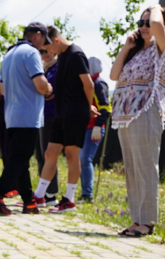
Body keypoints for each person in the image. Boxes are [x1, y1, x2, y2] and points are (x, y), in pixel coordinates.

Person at [110, 4, 165, 236]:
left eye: (148, 22)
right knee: (133, 169)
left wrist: (155, 7)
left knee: (146, 166)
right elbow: (114, 74)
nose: (145, 26)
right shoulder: (136, 50)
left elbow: (158, 25)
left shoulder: (164, 45)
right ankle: (136, 219)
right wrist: (127, 47)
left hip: (147, 111)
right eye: (141, 23)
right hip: (126, 115)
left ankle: (146, 223)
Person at [0, 22, 52, 216]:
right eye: (43, 42)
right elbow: (40, 85)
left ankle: (29, 202)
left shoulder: (9, 55)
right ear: (38, 35)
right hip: (28, 115)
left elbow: (2, 88)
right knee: (18, 159)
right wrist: (49, 89)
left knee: (21, 160)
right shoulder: (31, 53)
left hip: (12, 115)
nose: (43, 47)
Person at [35, 26, 95, 213]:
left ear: (56, 41)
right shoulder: (62, 57)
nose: (47, 53)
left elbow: (88, 84)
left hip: (76, 113)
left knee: (71, 155)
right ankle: (39, 196)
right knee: (50, 153)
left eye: (48, 49)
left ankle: (69, 199)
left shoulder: (76, 54)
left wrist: (89, 105)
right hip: (61, 114)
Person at [80, 57, 111, 202]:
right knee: (82, 160)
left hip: (94, 127)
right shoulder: (88, 83)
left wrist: (99, 125)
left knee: (86, 159)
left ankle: (87, 194)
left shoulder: (99, 84)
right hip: (86, 127)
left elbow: (105, 107)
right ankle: (84, 191)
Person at [33, 48, 60, 205]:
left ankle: (51, 194)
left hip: (52, 115)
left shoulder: (57, 68)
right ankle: (42, 192)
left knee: (49, 155)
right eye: (42, 52)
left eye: (48, 51)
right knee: (41, 155)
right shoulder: (43, 69)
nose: (45, 54)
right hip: (41, 115)